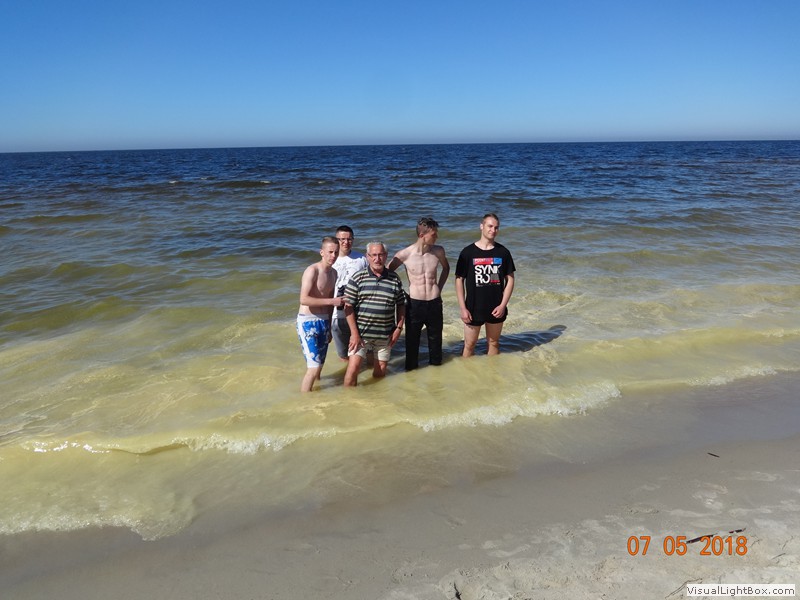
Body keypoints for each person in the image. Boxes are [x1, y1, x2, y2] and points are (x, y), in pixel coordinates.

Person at [388, 217, 450, 370]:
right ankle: (411, 378)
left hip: (435, 302)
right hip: (414, 304)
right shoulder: (405, 254)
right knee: (412, 344)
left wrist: (439, 288)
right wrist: (400, 294)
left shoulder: (438, 251)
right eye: (434, 234)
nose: (437, 237)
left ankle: (436, 376)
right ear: (422, 235)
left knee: (436, 343)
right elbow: (387, 273)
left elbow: (446, 268)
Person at [343, 242, 406, 386]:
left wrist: (398, 328)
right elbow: (348, 307)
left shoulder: (394, 278)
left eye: (381, 255)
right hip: (360, 335)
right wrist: (354, 334)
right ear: (367, 256)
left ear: (386, 256)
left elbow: (401, 304)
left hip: (385, 335)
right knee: (353, 370)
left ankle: (374, 397)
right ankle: (348, 398)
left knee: (380, 372)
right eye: (374, 255)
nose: (377, 259)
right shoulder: (357, 278)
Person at [455, 213, 516, 357]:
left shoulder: (503, 252)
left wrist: (503, 305)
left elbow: (510, 280)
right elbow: (459, 280)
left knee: (493, 342)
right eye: (490, 226)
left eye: (496, 227)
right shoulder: (467, 252)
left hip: (496, 307)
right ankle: (466, 372)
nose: (493, 230)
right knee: (469, 345)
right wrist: (463, 308)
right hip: (473, 307)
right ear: (481, 226)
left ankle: (492, 371)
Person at [296, 236, 347, 392]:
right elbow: (304, 299)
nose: (333, 256)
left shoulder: (334, 273)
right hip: (307, 321)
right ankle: (304, 401)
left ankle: (317, 395)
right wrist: (332, 301)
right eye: (330, 252)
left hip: (324, 322)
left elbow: (331, 303)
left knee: (319, 366)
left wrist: (330, 327)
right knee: (313, 368)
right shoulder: (312, 270)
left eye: (336, 252)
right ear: (322, 252)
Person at [331, 225, 367, 361]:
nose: (346, 242)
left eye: (349, 239)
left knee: (364, 351)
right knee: (344, 355)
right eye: (342, 239)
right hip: (336, 315)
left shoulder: (361, 259)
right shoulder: (330, 260)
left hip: (358, 313)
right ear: (336, 240)